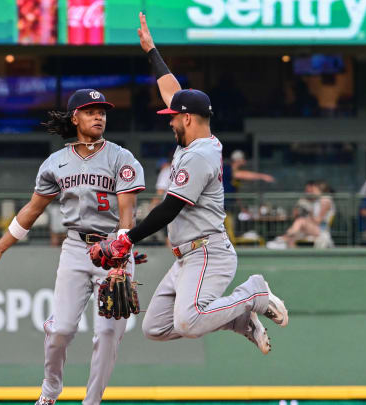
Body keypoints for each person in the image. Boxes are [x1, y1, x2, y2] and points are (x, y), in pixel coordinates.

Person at [89, 13, 288, 356]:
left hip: (207, 251)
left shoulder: (200, 156)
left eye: (173, 118)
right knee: (156, 327)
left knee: (188, 322)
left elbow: (170, 208)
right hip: (186, 255)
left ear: (188, 119)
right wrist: (152, 51)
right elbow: (172, 91)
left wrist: (126, 237)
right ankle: (240, 319)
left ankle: (253, 294)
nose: (169, 122)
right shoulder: (195, 139)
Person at [0, 88, 145, 405]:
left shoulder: (122, 158)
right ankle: (50, 391)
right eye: (91, 111)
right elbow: (32, 210)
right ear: (75, 117)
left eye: (102, 111)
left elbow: (128, 216)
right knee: (61, 330)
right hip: (77, 248)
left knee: (108, 334)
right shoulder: (56, 163)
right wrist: (0, 246)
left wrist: (120, 252)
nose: (99, 116)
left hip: (113, 250)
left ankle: (92, 402)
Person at [266, 180, 335, 249]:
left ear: (320, 190)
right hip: (312, 228)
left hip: (322, 231)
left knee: (300, 221)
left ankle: (282, 239)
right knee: (294, 234)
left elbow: (318, 221)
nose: (312, 192)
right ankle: (287, 246)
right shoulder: (316, 201)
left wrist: (309, 210)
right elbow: (296, 215)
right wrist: (301, 208)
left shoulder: (325, 201)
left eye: (314, 190)